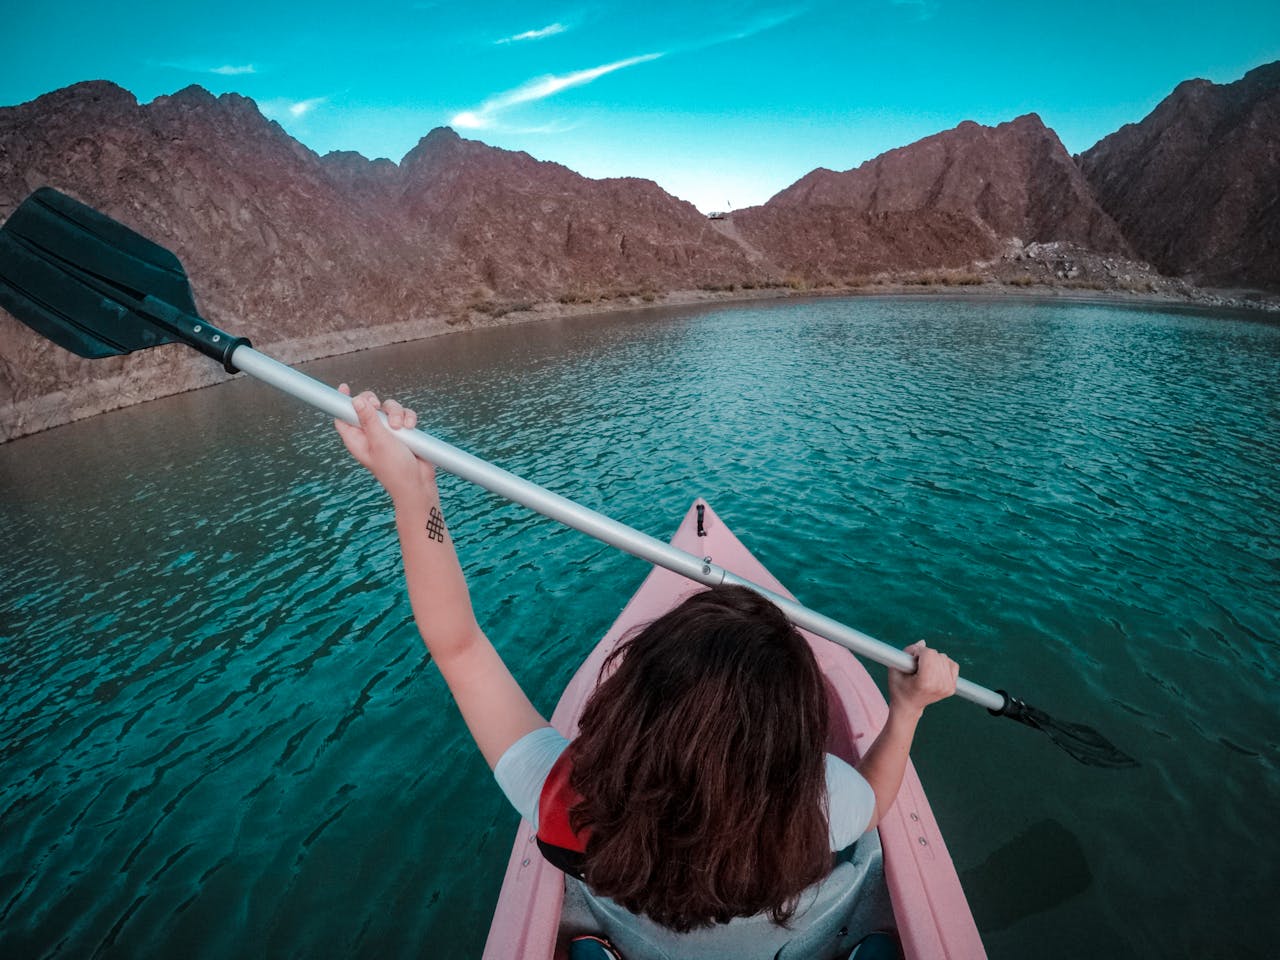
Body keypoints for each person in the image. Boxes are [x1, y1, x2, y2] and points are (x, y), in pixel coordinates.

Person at [334, 386, 959, 959]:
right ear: (791, 740)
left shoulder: (566, 802)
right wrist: (907, 708)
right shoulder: (821, 802)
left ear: (631, 705)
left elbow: (458, 647)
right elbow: (877, 801)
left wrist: (414, 497)